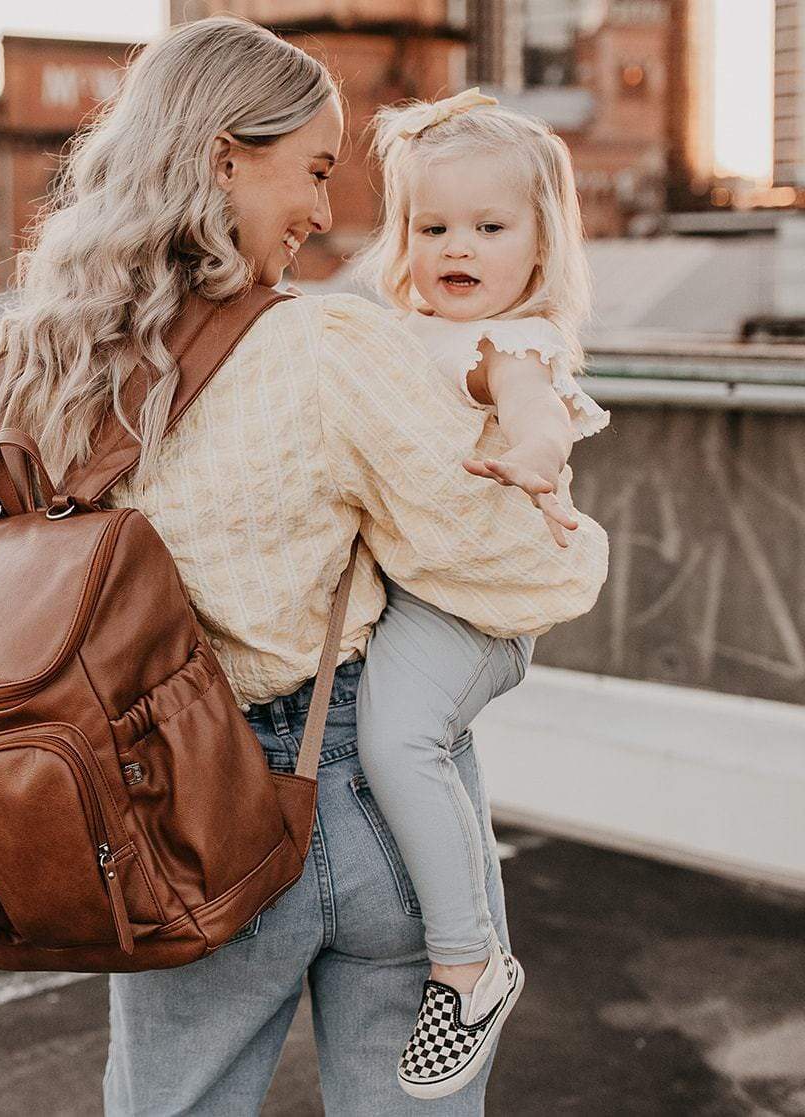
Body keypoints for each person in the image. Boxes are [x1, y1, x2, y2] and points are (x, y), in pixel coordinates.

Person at [0, 16, 608, 1114]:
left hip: (158, 821)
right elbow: (529, 577)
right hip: (374, 799)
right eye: (315, 170)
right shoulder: (324, 345)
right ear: (222, 156)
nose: (327, 213)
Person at [346, 88, 611, 1099]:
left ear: (540, 247)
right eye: (431, 225)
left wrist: (535, 461)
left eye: (489, 227)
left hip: (473, 609)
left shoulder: (511, 342)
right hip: (432, 595)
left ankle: (468, 964)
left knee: (397, 742)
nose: (456, 247)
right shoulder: (407, 332)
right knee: (427, 751)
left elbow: (530, 407)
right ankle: (468, 945)